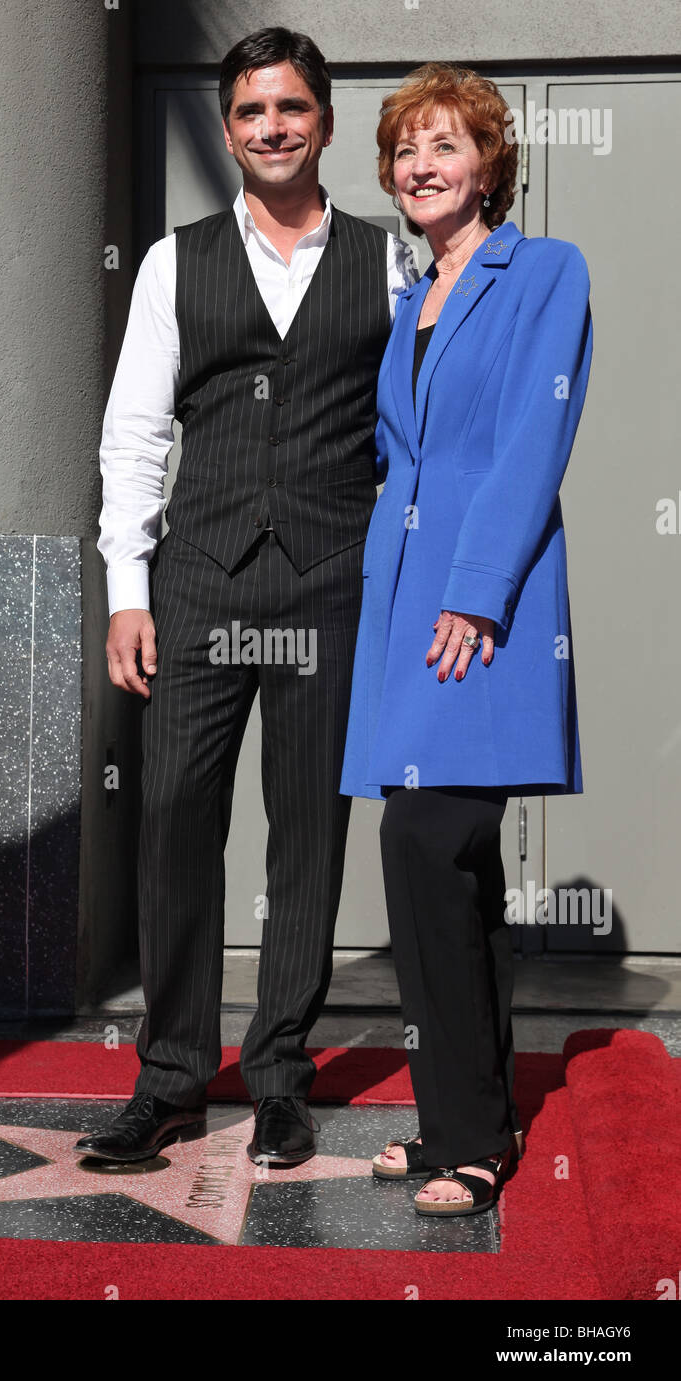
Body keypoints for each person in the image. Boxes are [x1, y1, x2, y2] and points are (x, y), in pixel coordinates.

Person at [76, 28, 417, 1169]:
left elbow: (415, 435)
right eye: (248, 113)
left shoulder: (388, 263)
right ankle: (172, 1077)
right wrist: (129, 589)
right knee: (174, 821)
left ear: (322, 119)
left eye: (290, 108)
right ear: (227, 131)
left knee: (308, 838)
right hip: (200, 584)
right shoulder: (177, 262)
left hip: (330, 582)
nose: (270, 128)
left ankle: (278, 1075)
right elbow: (133, 434)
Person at [340, 62, 592, 1215]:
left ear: (490, 161)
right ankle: (465, 1118)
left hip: (484, 601)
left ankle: (468, 1138)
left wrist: (479, 590)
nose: (422, 166)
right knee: (457, 864)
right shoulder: (414, 295)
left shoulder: (543, 271)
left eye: (446, 144)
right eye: (405, 150)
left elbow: (532, 447)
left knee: (429, 844)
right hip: (406, 598)